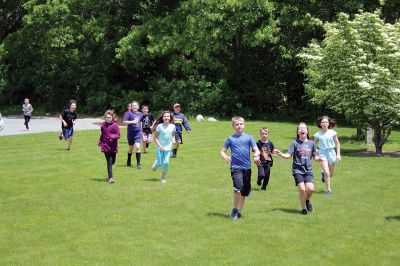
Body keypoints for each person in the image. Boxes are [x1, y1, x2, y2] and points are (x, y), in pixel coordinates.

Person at [220, 116, 260, 219]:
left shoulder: (249, 137)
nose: (239, 126)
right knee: (237, 189)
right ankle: (235, 209)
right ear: (233, 126)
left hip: (247, 168)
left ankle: (239, 212)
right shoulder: (230, 139)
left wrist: (256, 156)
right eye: (236, 124)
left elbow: (256, 150)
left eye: (241, 124)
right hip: (235, 167)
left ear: (244, 125)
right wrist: (225, 157)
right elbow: (222, 151)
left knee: (244, 192)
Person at [275, 122, 319, 215]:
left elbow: (315, 157)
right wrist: (281, 154)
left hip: (308, 170)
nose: (302, 129)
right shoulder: (295, 143)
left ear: (307, 131)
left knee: (310, 189)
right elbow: (288, 155)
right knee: (302, 189)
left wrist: (321, 159)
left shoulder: (311, 143)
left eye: (304, 128)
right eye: (300, 128)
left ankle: (307, 200)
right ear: (298, 132)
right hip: (297, 170)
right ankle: (303, 209)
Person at [314, 116, 341, 196]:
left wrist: (338, 155)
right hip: (322, 154)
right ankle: (329, 190)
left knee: (331, 174)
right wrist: (317, 151)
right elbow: (313, 145)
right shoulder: (317, 134)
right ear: (320, 124)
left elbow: (337, 144)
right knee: (327, 172)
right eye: (323, 122)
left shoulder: (333, 133)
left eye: (326, 122)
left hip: (331, 153)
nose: (325, 124)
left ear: (328, 124)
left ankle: (324, 175)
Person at [151, 111, 176, 183]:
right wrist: (160, 145)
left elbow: (173, 135)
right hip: (160, 148)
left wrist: (173, 140)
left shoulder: (173, 126)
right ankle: (156, 163)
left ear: (170, 118)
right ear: (162, 118)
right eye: (164, 116)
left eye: (168, 116)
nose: (166, 117)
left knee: (166, 163)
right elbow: (155, 138)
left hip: (168, 148)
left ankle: (162, 178)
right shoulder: (159, 126)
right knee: (159, 164)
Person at [98, 110, 120, 183]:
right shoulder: (103, 126)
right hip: (105, 145)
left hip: (113, 146)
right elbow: (103, 134)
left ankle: (110, 171)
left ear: (112, 117)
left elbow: (118, 135)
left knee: (113, 161)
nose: (108, 119)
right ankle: (110, 178)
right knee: (109, 162)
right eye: (107, 117)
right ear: (105, 117)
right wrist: (100, 141)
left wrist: (112, 137)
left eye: (109, 117)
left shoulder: (115, 125)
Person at [123, 101, 143, 168]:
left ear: (138, 106)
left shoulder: (140, 114)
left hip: (138, 134)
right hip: (130, 134)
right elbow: (124, 122)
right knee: (131, 149)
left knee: (137, 147)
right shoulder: (128, 114)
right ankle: (129, 159)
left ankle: (138, 164)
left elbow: (141, 122)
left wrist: (142, 131)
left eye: (136, 105)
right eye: (133, 106)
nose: (134, 107)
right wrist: (132, 122)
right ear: (131, 107)